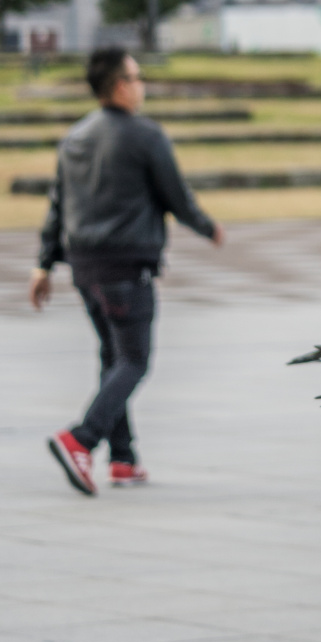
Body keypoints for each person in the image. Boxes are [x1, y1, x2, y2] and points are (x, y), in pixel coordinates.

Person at [30, 46, 225, 496]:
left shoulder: (75, 137)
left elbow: (58, 204)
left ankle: (124, 459)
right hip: (126, 265)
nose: (143, 86)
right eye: (137, 78)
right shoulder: (145, 135)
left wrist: (43, 264)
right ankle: (80, 440)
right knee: (134, 361)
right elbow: (176, 196)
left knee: (113, 358)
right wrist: (207, 226)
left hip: (84, 266)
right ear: (119, 85)